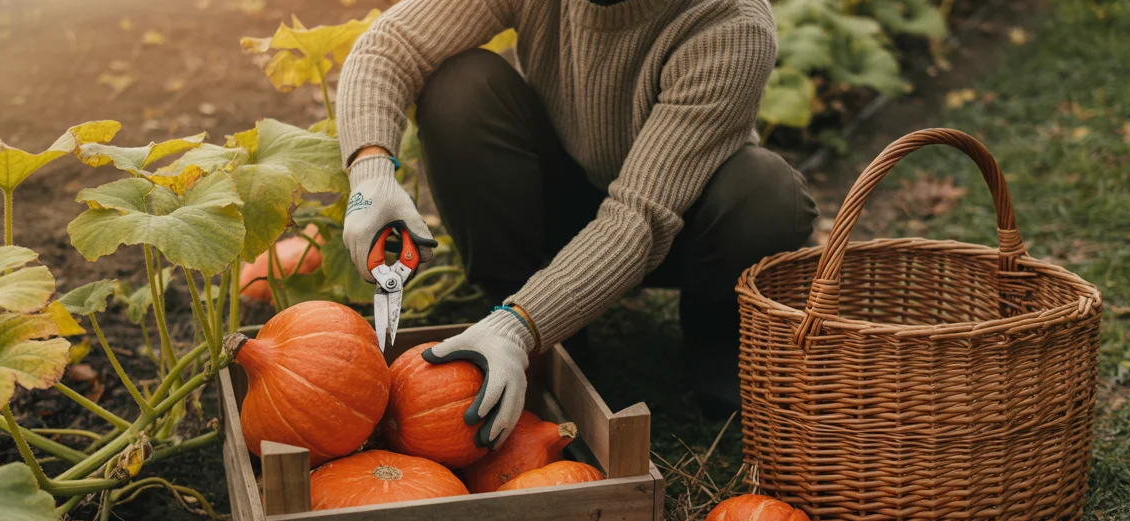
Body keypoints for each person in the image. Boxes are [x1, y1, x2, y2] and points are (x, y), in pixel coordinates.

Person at [337, 0, 819, 450]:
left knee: (767, 195)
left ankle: (713, 327)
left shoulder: (730, 26)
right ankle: (516, 301)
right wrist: (370, 172)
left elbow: (638, 219)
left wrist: (520, 327)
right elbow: (392, 44)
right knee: (460, 88)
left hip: (679, 223)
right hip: (559, 194)